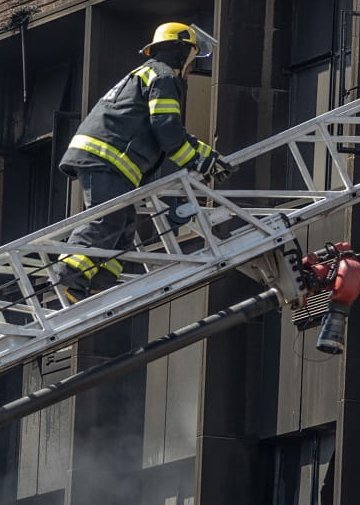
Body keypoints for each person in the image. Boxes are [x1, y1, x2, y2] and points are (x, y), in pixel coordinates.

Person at [49, 22, 233, 302]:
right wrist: (197, 161)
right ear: (181, 52)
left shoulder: (147, 74)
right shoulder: (163, 77)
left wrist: (204, 155)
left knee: (123, 226)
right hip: (108, 159)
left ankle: (98, 284)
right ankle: (68, 276)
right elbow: (167, 129)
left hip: (110, 160)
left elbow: (165, 129)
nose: (192, 66)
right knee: (107, 219)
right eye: (192, 57)